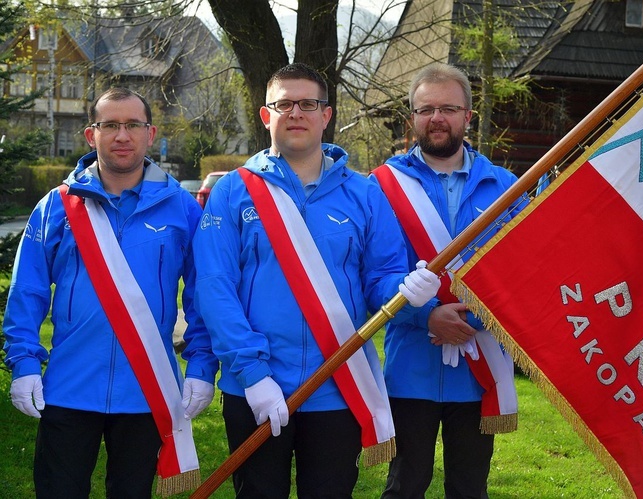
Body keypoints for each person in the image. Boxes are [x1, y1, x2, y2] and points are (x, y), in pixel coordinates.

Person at [191, 63, 440, 498]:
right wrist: (252, 373)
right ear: (266, 116)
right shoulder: (233, 192)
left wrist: (407, 291)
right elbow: (214, 287)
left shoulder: (364, 193)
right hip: (254, 385)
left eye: (309, 103)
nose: (296, 113)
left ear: (326, 115)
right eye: (284, 103)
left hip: (337, 387)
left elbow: (381, 277)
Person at [2, 88, 218, 498]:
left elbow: (204, 295)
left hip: (146, 389)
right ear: (91, 135)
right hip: (68, 388)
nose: (123, 135)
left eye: (133, 125)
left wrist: (202, 366)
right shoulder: (57, 207)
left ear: (150, 133)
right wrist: (25, 361)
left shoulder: (183, 209)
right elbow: (26, 290)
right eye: (111, 125)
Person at [371, 63, 530, 498]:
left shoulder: (508, 189)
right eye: (426, 109)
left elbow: (521, 273)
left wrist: (473, 319)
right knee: (405, 487)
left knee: (469, 487)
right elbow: (375, 276)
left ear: (468, 117)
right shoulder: (381, 188)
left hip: (479, 372)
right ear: (412, 118)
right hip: (410, 372)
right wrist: (426, 318)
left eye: (447, 108)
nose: (436, 118)